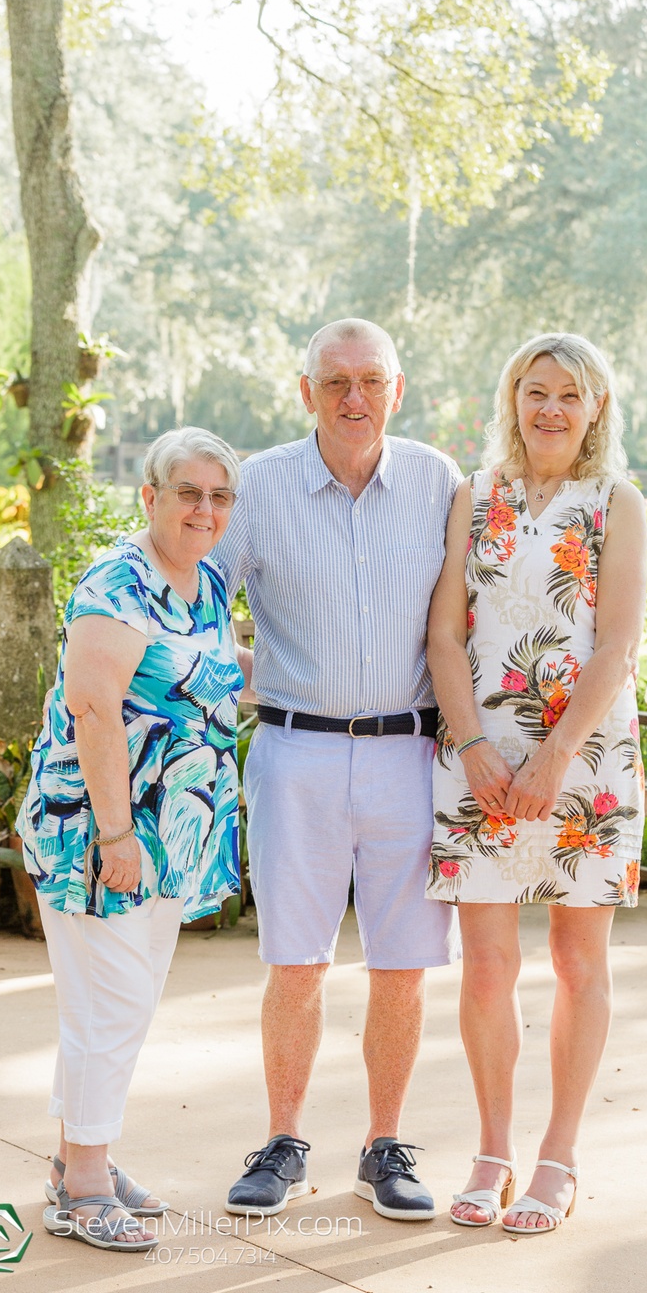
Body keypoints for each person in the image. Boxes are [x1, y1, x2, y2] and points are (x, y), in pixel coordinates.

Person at [214, 317, 462, 1222]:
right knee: (295, 959)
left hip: (408, 752)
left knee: (403, 965)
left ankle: (383, 1145)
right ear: (305, 391)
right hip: (295, 752)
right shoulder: (260, 487)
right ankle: (281, 1142)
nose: (353, 398)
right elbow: (203, 603)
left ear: (398, 389)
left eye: (370, 381)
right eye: (334, 383)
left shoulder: (439, 482)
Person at [426, 332, 647, 1234]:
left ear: (595, 407)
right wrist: (473, 743)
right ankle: (491, 1152)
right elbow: (444, 637)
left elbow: (616, 645)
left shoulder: (615, 503)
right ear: (511, 400)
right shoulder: (472, 499)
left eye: (568, 394)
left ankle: (557, 1157)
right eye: (534, 391)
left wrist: (553, 758)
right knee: (484, 965)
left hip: (583, 762)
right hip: (474, 756)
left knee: (574, 960)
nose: (550, 408)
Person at [16, 426, 249, 1252]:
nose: (205, 509)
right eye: (188, 492)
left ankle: (77, 1159)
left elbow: (205, 672)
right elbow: (94, 706)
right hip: (101, 831)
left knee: (114, 1003)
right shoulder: (118, 583)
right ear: (148, 496)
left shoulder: (207, 582)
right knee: (111, 1004)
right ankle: (82, 1185)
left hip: (171, 834)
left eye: (219, 495)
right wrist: (117, 833)